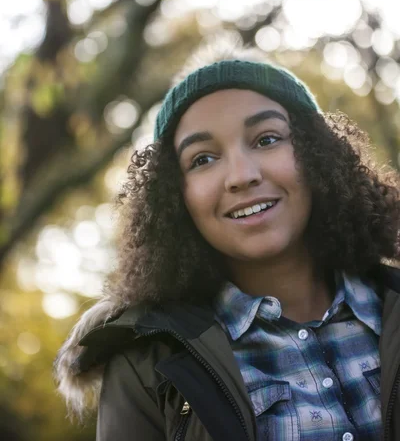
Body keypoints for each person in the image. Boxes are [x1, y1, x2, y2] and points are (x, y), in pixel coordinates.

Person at [56, 43, 400, 441]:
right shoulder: (145, 364)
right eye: (202, 159)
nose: (241, 175)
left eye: (267, 139)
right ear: (174, 197)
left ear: (317, 155)